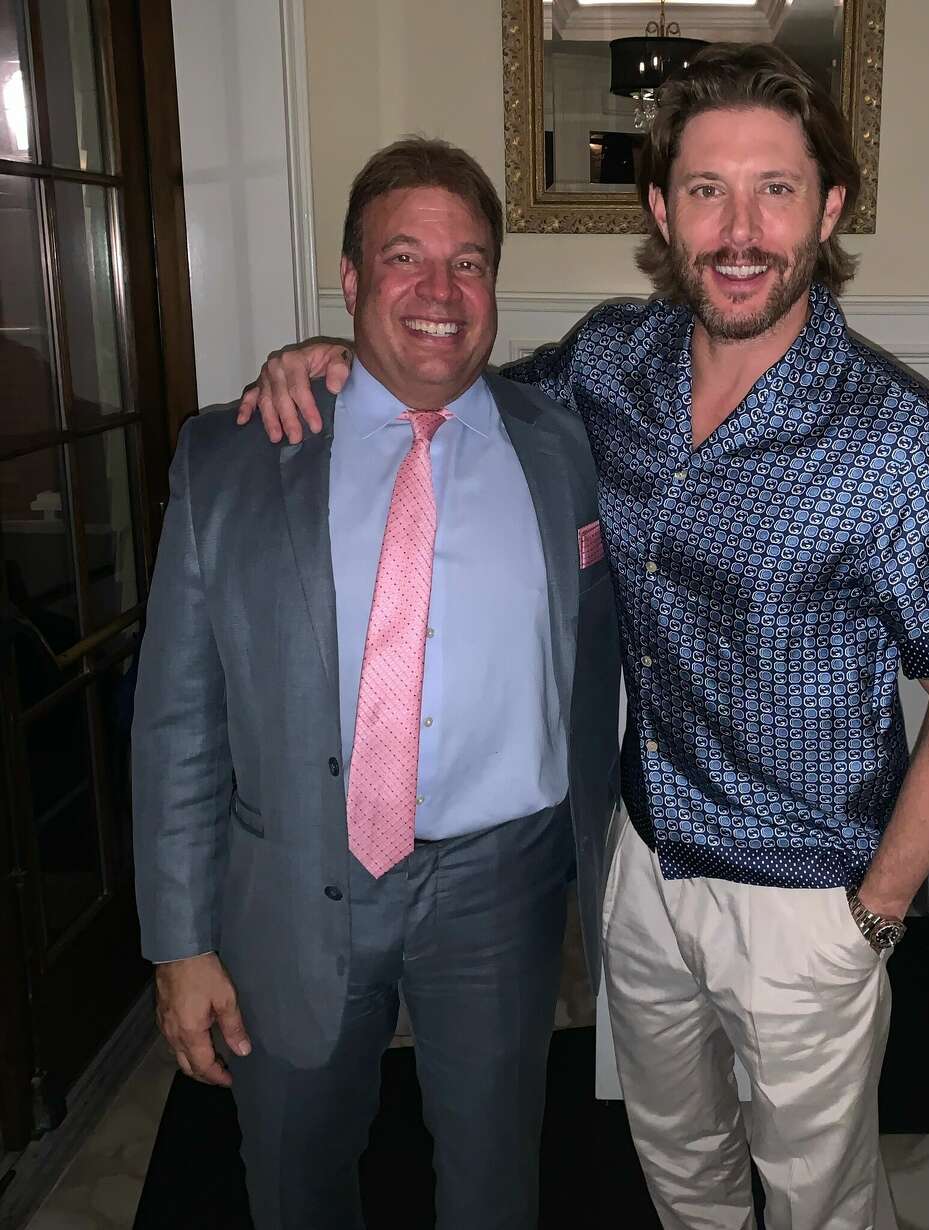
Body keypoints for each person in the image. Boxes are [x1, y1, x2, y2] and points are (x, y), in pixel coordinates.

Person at [240, 43, 929, 1230]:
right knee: (680, 1165)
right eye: (706, 190)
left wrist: (875, 915)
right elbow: (460, 400)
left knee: (822, 1202)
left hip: (807, 898)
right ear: (662, 209)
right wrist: (350, 359)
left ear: (831, 207)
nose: (740, 229)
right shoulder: (612, 362)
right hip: (641, 870)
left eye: (776, 189)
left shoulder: (906, 443)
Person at [132, 138, 620, 1230]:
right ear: (350, 280)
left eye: (470, 263)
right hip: (296, 872)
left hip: (505, 885)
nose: (440, 293)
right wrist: (178, 940)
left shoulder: (565, 445)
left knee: (497, 1179)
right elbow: (176, 721)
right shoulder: (233, 458)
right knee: (297, 1176)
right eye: (405, 259)